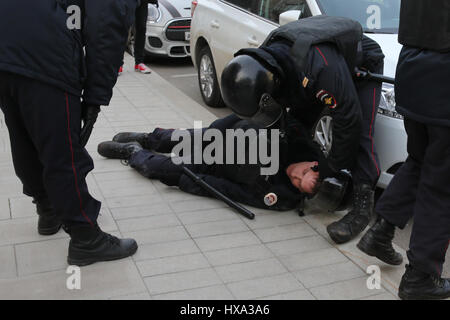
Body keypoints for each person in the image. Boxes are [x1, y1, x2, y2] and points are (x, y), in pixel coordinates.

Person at [219, 15, 385, 244]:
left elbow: (348, 120)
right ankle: (308, 166)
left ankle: (362, 210)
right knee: (297, 121)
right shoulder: (264, 60)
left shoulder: (320, 68)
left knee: (362, 132)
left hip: (361, 63)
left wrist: (329, 170)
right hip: (307, 71)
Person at [0, 0, 140, 266]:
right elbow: (105, 31)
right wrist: (94, 98)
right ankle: (86, 236)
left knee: (23, 134)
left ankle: (48, 207)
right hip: (46, 52)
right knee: (62, 150)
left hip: (6, 47)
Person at [357, 0, 450, 300]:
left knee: (419, 161)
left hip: (413, 72)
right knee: (441, 185)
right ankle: (421, 276)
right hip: (444, 80)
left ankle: (380, 231)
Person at [97, 114, 321, 211]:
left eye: (298, 183)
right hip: (223, 138)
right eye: (302, 173)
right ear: (312, 163)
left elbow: (232, 192)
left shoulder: (279, 195)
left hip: (217, 169)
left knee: (155, 168)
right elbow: (253, 114)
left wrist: (193, 183)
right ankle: (147, 139)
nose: (295, 176)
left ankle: (132, 151)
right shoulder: (294, 138)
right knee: (178, 138)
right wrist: (217, 130)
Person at [119, 0, 158, 75]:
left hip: (142, 2)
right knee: (124, 28)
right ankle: (118, 63)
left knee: (142, 28)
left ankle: (139, 62)